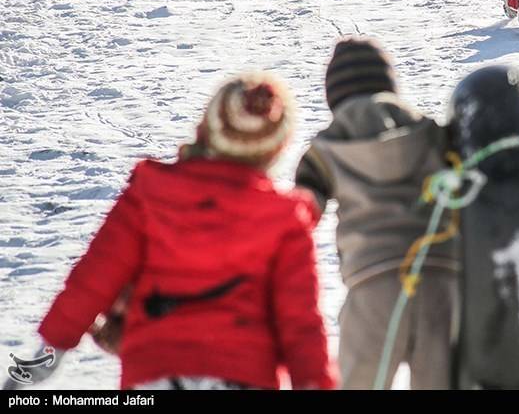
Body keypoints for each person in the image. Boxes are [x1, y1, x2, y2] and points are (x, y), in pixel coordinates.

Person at [33, 72, 337, 390]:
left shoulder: (150, 192)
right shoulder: (286, 218)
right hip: (244, 376)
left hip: (155, 373)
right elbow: (300, 321)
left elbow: (94, 278)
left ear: (206, 128)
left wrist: (50, 352)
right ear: (275, 149)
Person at [295, 35, 459, 389]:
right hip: (441, 279)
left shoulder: (326, 149)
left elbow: (300, 215)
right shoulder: (432, 133)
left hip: (373, 284)